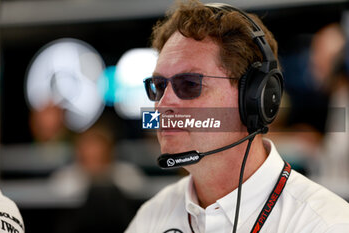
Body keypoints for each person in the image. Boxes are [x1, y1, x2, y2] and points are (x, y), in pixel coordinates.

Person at [125, 1, 349, 233]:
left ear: (253, 99)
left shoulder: (324, 224)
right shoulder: (151, 217)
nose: (162, 104)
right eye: (159, 86)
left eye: (190, 84)